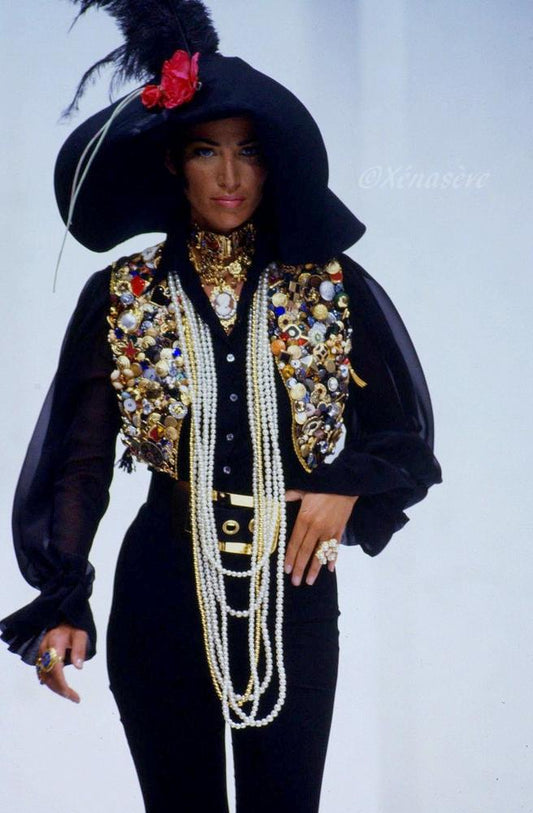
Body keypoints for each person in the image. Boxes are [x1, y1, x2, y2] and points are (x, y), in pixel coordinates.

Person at [0, 2, 442, 811]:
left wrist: (344, 486)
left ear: (273, 166)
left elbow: (403, 433)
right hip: (161, 585)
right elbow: (79, 459)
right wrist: (64, 597)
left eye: (248, 152)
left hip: (292, 586)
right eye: (207, 151)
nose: (230, 177)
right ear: (175, 164)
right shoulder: (122, 294)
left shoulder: (330, 283)